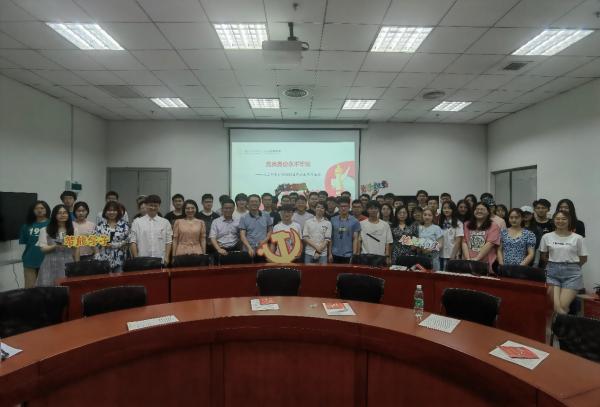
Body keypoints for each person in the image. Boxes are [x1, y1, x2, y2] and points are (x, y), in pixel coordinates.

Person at [540, 210, 588, 314]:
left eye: (563, 219)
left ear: (569, 221)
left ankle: (558, 324)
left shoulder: (578, 238)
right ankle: (562, 324)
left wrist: (573, 266)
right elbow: (543, 256)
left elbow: (584, 258)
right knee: (555, 306)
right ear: (553, 220)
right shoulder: (546, 237)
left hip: (572, 275)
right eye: (557, 219)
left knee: (562, 306)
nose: (560, 221)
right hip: (552, 273)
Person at [36, 205, 75, 286]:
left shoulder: (74, 230)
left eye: (65, 213)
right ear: (54, 215)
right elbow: (43, 249)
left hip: (68, 263)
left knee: (67, 288)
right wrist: (56, 246)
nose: (62, 215)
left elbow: (76, 248)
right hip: (50, 264)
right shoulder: (45, 230)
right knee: (49, 288)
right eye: (59, 213)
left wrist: (77, 264)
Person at [129, 195, 173, 265]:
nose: (153, 208)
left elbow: (168, 242)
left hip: (160, 258)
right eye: (151, 205)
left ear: (159, 206)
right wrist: (136, 258)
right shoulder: (137, 222)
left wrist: (167, 257)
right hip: (142, 259)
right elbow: (133, 241)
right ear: (146, 205)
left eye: (155, 206)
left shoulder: (165, 222)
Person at [462, 202, 501, 273]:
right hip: (468, 262)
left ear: (488, 212)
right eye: (477, 209)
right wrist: (468, 259)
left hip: (486, 263)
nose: (479, 211)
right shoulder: (466, 224)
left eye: (482, 209)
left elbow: (490, 244)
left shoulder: (494, 226)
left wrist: (477, 258)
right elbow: (464, 242)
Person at [19, 200, 50, 288]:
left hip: (47, 261)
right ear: (32, 211)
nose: (39, 210)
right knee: (30, 288)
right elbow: (26, 242)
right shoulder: (26, 226)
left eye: (42, 208)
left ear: (46, 210)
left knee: (47, 288)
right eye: (36, 208)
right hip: (30, 261)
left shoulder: (52, 224)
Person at [94, 201, 129, 272]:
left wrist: (116, 245)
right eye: (109, 210)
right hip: (103, 260)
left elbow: (128, 241)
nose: (112, 212)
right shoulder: (100, 226)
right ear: (105, 212)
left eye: (114, 210)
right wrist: (97, 254)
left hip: (120, 260)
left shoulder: (124, 225)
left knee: (119, 278)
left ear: (118, 212)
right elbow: (94, 242)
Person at [239, 194, 273, 260]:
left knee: (263, 265)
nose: (254, 203)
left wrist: (265, 240)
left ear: (260, 203)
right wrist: (249, 247)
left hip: (263, 248)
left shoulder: (266, 215)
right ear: (248, 203)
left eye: (256, 201)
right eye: (252, 201)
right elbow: (242, 235)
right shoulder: (243, 217)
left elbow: (270, 230)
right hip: (248, 249)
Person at [329, 197, 360, 264]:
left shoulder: (355, 221)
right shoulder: (333, 220)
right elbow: (331, 238)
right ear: (338, 207)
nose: (343, 208)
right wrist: (329, 253)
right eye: (341, 206)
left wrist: (354, 254)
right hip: (335, 253)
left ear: (349, 207)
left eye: (345, 206)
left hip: (348, 254)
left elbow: (355, 239)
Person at [438, 201, 464, 270]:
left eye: (449, 208)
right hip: (440, 254)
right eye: (444, 208)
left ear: (453, 210)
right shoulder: (440, 222)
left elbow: (458, 241)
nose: (446, 210)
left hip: (452, 254)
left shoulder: (458, 223)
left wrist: (453, 255)